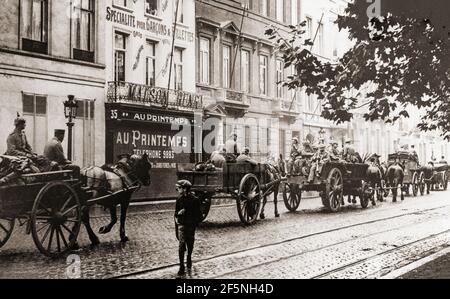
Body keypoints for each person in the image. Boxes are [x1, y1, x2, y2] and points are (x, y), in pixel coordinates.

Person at [174, 180, 202, 276]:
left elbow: (199, 216)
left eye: (179, 188)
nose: (177, 189)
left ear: (185, 189)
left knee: (190, 244)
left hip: (190, 226)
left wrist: (192, 219)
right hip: (182, 225)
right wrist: (178, 213)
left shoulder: (195, 200)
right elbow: (175, 213)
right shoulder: (179, 200)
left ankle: (189, 257)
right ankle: (181, 266)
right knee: (181, 245)